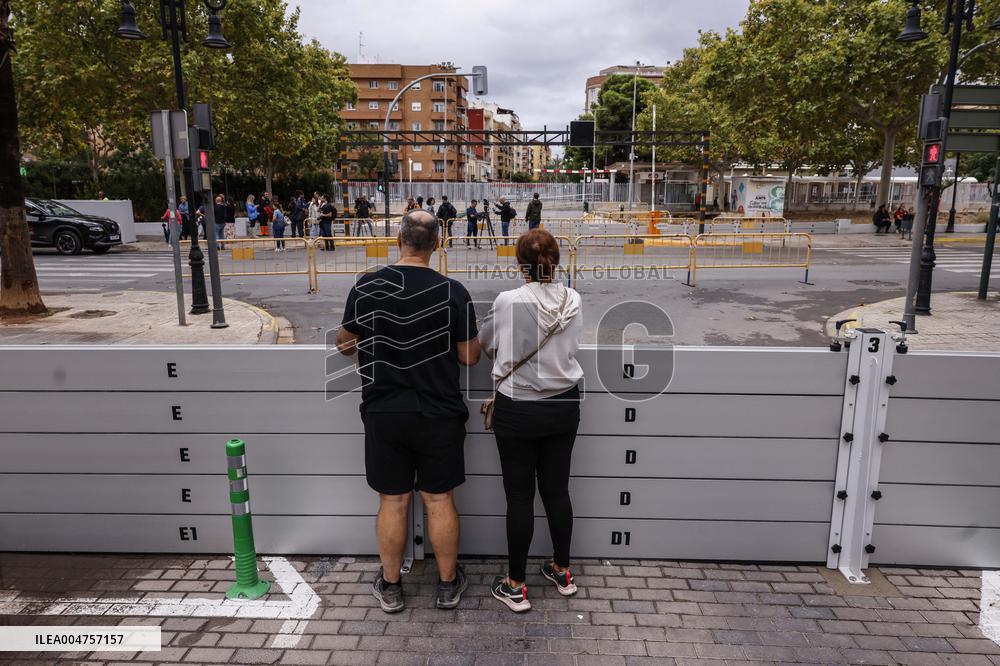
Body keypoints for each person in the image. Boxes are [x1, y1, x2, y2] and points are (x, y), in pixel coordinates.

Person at [336, 210, 481, 614]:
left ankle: (393, 586)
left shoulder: (367, 286)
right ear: (437, 243)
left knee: (393, 502)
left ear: (398, 237)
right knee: (439, 500)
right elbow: (470, 357)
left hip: (385, 411)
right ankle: (448, 585)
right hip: (439, 413)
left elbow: (344, 344)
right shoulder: (453, 292)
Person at [478, 228, 583, 613]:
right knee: (557, 490)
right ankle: (562, 570)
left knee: (519, 496)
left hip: (518, 409)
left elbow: (485, 345)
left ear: (520, 264)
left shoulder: (508, 301)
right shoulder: (574, 299)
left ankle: (516, 585)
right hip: (563, 406)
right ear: (557, 261)